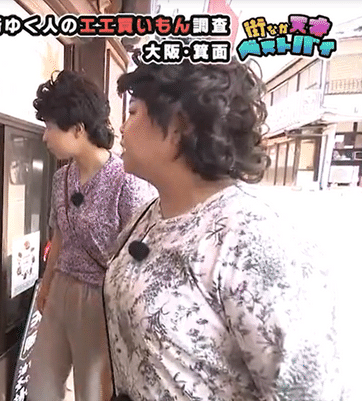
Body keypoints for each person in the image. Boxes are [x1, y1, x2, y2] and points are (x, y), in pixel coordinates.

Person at [104, 54, 341, 400]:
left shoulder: (257, 242)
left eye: (133, 112)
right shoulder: (145, 217)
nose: (122, 128)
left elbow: (309, 391)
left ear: (179, 126)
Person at [27, 70, 156, 401]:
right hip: (61, 288)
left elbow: (140, 257)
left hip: (100, 297)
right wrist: (47, 283)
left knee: (92, 390)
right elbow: (59, 235)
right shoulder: (61, 178)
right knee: (40, 383)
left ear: (77, 129)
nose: (45, 136)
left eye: (50, 126)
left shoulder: (127, 181)